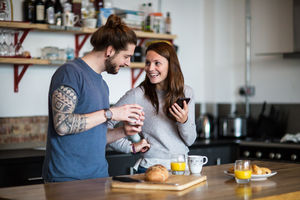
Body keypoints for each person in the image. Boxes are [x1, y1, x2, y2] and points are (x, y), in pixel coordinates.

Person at [42, 14, 145, 182]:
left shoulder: (101, 84)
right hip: (66, 180)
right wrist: (110, 113)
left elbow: (96, 137)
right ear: (110, 50)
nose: (128, 63)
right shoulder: (70, 72)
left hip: (98, 177)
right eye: (126, 56)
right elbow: (62, 125)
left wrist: (123, 131)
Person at [108, 42, 197, 173]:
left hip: (181, 168)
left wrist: (183, 121)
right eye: (148, 63)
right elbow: (105, 125)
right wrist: (130, 147)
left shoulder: (186, 92)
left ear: (171, 65)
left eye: (157, 63)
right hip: (151, 168)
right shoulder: (137, 95)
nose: (150, 68)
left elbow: (190, 140)